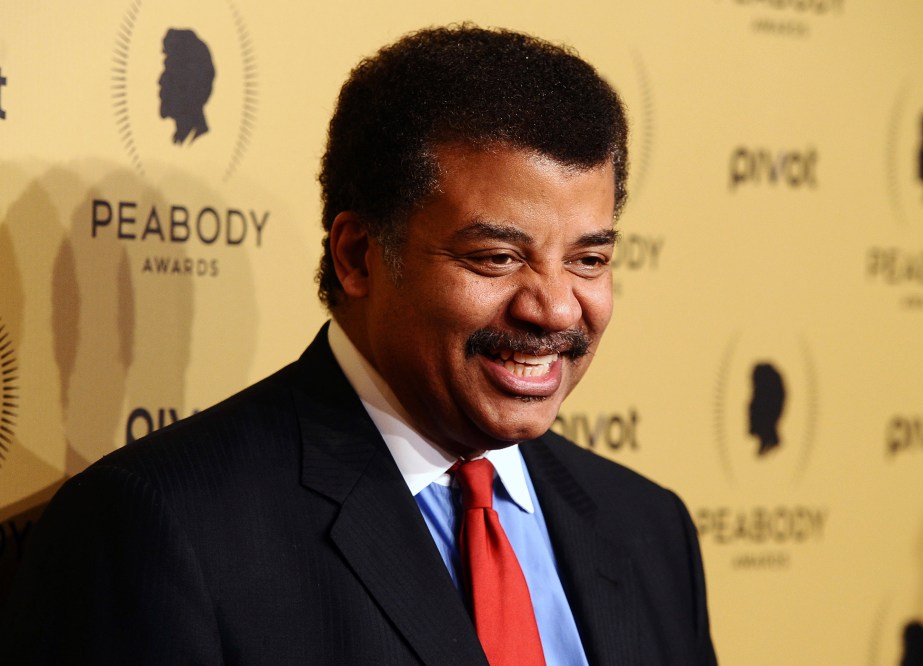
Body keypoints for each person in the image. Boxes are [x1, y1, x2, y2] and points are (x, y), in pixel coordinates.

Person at [1, 25, 716, 665]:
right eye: (497, 258)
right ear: (357, 256)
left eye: (588, 260)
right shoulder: (161, 528)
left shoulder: (649, 529)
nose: (556, 307)